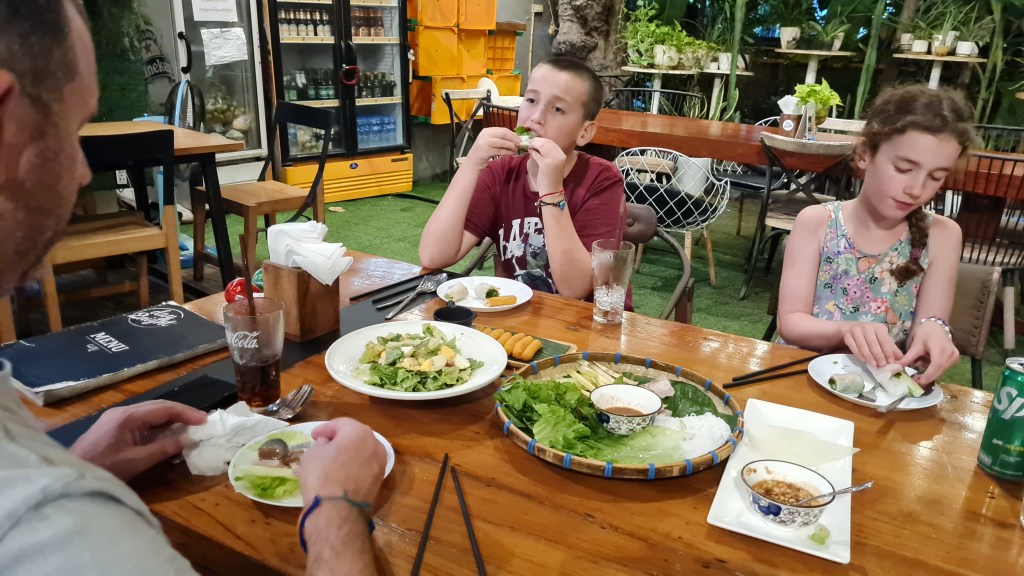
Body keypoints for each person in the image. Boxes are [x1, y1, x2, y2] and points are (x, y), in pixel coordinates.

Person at [0, 2, 384, 574]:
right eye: (72, 130)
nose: (82, 172)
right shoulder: (57, 524)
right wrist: (338, 510)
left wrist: (82, 465)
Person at [777, 85, 973, 385]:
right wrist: (848, 330)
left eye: (936, 177)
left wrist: (935, 332)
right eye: (904, 168)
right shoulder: (817, 222)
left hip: (880, 388)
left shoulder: (943, 235)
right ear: (864, 155)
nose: (916, 189)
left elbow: (929, 322)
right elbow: (790, 323)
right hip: (800, 376)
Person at [419, 57, 626, 300]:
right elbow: (434, 255)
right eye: (531, 100)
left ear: (584, 132)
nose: (536, 117)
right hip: (517, 313)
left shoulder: (602, 180)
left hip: (586, 319)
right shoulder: (501, 173)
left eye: (557, 109)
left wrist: (551, 190)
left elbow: (575, 289)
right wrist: (472, 164)